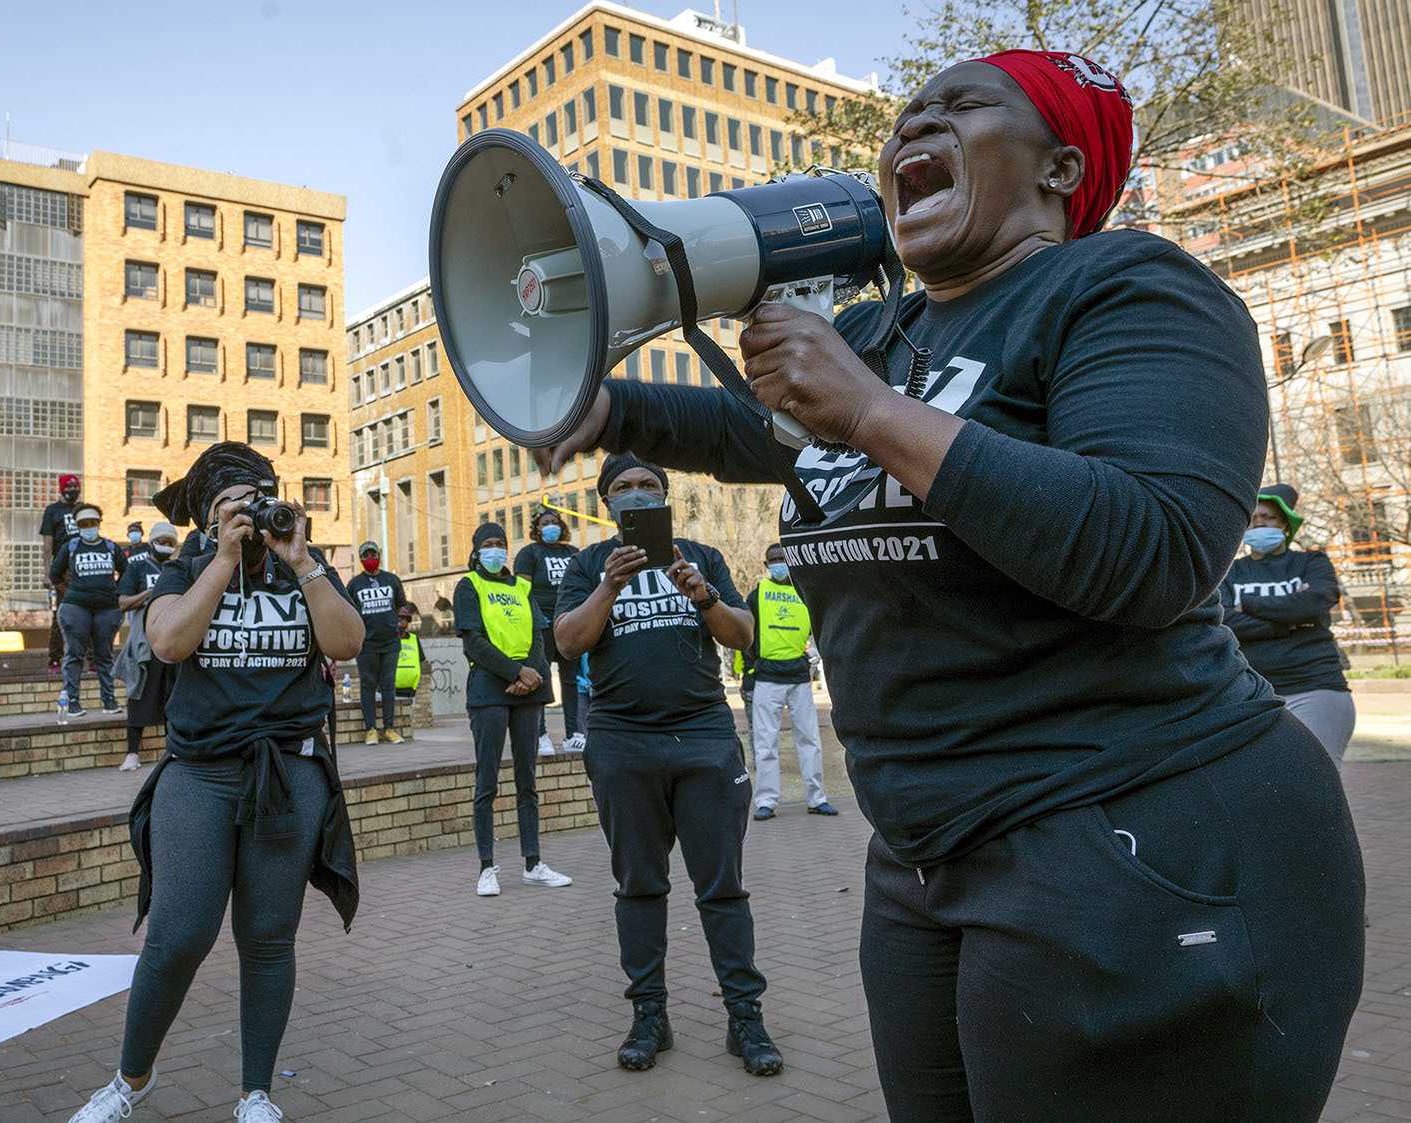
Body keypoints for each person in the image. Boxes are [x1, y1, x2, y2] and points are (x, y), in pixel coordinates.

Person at [533, 49, 1364, 1119]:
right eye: (906, 114)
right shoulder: (881, 334)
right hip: (928, 850)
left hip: (1139, 832)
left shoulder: (1126, 286)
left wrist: (868, 409)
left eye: (960, 106)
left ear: (1060, 168)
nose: (912, 126)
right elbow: (754, 430)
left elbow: (1153, 549)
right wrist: (601, 410)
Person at [67, 442, 361, 1123]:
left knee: (266, 934)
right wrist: (224, 558)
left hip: (288, 773)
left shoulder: (303, 569)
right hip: (200, 772)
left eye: (257, 504)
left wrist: (304, 561)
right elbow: (168, 642)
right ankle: (130, 1080)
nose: (248, 519)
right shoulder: (187, 568)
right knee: (178, 935)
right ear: (205, 520)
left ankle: (256, 1091)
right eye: (232, 509)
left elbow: (346, 643)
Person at [555, 453, 782, 1076]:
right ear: (606, 504)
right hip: (623, 745)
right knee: (639, 886)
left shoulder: (700, 558)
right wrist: (608, 585)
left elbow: (743, 636)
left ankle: (746, 1019)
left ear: (665, 496)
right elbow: (569, 642)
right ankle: (649, 1017)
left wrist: (703, 595)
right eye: (622, 488)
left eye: (647, 486)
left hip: (705, 741)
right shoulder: (585, 566)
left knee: (723, 889)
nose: (636, 495)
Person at [455, 521, 573, 896]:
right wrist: (516, 671)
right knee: (486, 782)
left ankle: (533, 863)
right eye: (488, 544)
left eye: (501, 544)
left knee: (528, 783)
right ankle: (486, 868)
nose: (495, 550)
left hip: (527, 690)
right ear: (476, 550)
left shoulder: (522, 587)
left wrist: (533, 675)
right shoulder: (468, 586)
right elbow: (473, 641)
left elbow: (541, 635)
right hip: (490, 690)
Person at [1222, 484, 1355, 767]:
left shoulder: (1311, 561)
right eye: (1254, 518)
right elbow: (1224, 621)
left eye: (1268, 517)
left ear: (1285, 524)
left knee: (1315, 776)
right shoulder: (1230, 572)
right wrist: (1288, 623)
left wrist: (1248, 604)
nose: (1260, 523)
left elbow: (1312, 605)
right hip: (1251, 693)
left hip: (1316, 686)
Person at [747, 542, 834, 819]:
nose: (778, 563)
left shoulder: (804, 591)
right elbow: (746, 634)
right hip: (768, 678)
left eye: (781, 558)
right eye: (772, 559)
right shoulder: (757, 593)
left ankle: (817, 798)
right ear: (766, 565)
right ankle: (766, 802)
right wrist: (751, 668)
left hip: (798, 678)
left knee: (810, 740)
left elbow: (818, 631)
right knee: (765, 744)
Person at [514, 506, 585, 753]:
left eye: (554, 521)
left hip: (570, 623)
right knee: (541, 678)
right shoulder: (529, 553)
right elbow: (522, 592)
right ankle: (541, 735)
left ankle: (573, 733)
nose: (550, 526)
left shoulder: (573, 553)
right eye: (545, 522)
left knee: (571, 680)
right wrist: (536, 621)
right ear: (537, 528)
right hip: (542, 625)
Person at [113, 521, 180, 773]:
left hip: (175, 641)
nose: (166, 547)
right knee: (138, 693)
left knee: (173, 698)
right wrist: (151, 593)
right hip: (145, 641)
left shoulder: (177, 568)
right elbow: (122, 603)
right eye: (162, 542)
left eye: (171, 543)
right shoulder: (137, 567)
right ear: (152, 542)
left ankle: (172, 751)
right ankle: (132, 753)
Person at [49, 503, 127, 718]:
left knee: (104, 655)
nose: (89, 527)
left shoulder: (111, 547)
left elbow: (126, 572)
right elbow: (54, 575)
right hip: (76, 607)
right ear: (78, 526)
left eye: (93, 523)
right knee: (75, 653)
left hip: (107, 608)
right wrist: (70, 592)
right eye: (84, 524)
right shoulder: (71, 547)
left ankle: (109, 700)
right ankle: (72, 701)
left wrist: (117, 593)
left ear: (99, 524)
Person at [347, 540, 406, 743]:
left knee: (389, 685)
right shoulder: (354, 584)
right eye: (366, 555)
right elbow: (349, 613)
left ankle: (389, 728)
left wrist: (403, 626)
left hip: (390, 643)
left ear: (379, 556)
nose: (370, 558)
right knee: (368, 685)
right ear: (361, 558)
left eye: (373, 554)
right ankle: (370, 728)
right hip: (367, 644)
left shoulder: (392, 580)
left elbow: (401, 608)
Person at [40, 473, 83, 673]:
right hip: (62, 569)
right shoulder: (52, 511)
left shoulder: (83, 510)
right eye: (70, 486)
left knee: (89, 612)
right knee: (62, 613)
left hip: (83, 567)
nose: (73, 490)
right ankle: (55, 658)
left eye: (77, 487)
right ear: (62, 488)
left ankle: (91, 659)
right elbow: (47, 544)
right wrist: (47, 572)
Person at [394, 603, 423, 719]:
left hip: (410, 687)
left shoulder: (414, 639)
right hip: (391, 687)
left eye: (403, 620)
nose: (401, 622)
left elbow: (420, 660)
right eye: (398, 619)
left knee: (407, 718)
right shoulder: (389, 639)